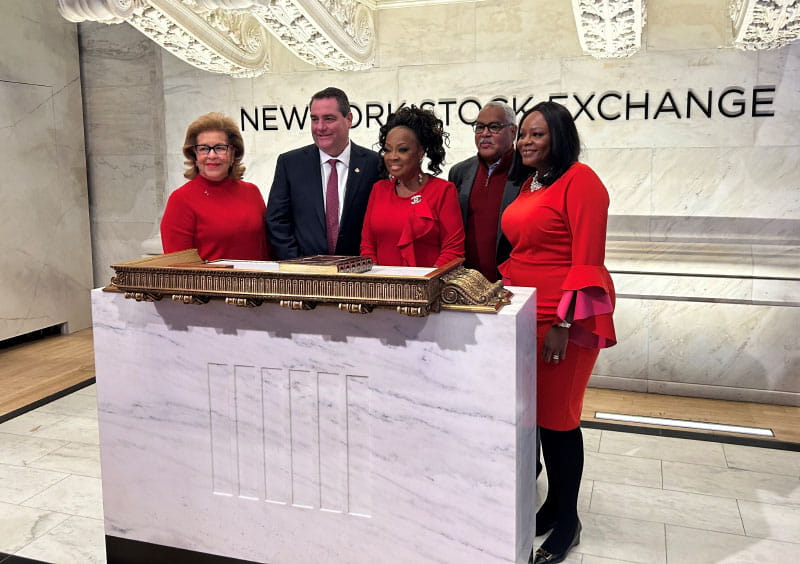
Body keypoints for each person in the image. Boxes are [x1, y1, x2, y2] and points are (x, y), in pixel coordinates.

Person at [499, 101, 617, 564]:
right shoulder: (532, 182)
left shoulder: (580, 181)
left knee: (561, 421)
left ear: (559, 138)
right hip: (524, 315)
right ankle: (553, 506)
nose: (526, 142)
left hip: (562, 322)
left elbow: (587, 258)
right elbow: (525, 249)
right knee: (539, 420)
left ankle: (568, 523)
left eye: (537, 135)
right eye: (524, 134)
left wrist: (563, 325)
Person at [266, 87, 381, 259]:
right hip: (304, 274)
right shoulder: (290, 163)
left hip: (360, 274)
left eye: (329, 119)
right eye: (314, 119)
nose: (320, 127)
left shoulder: (374, 164)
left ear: (348, 119)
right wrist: (297, 263)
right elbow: (277, 221)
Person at [360, 106, 464, 267]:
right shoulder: (379, 189)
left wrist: (425, 285)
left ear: (420, 152)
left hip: (428, 288)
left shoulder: (443, 191)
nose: (393, 157)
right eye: (388, 150)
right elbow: (367, 245)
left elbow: (452, 250)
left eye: (402, 150)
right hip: (381, 288)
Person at [160, 112, 270, 261]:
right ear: (195, 155)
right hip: (208, 284)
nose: (211, 155)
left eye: (220, 148)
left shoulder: (252, 192)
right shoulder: (181, 200)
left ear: (233, 153)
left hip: (258, 282)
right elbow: (178, 267)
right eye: (204, 148)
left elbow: (267, 249)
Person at [448, 101, 522, 281]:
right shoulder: (459, 172)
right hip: (467, 283)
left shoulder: (527, 171)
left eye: (494, 127)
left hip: (513, 281)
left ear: (513, 131)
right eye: (479, 127)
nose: (485, 134)